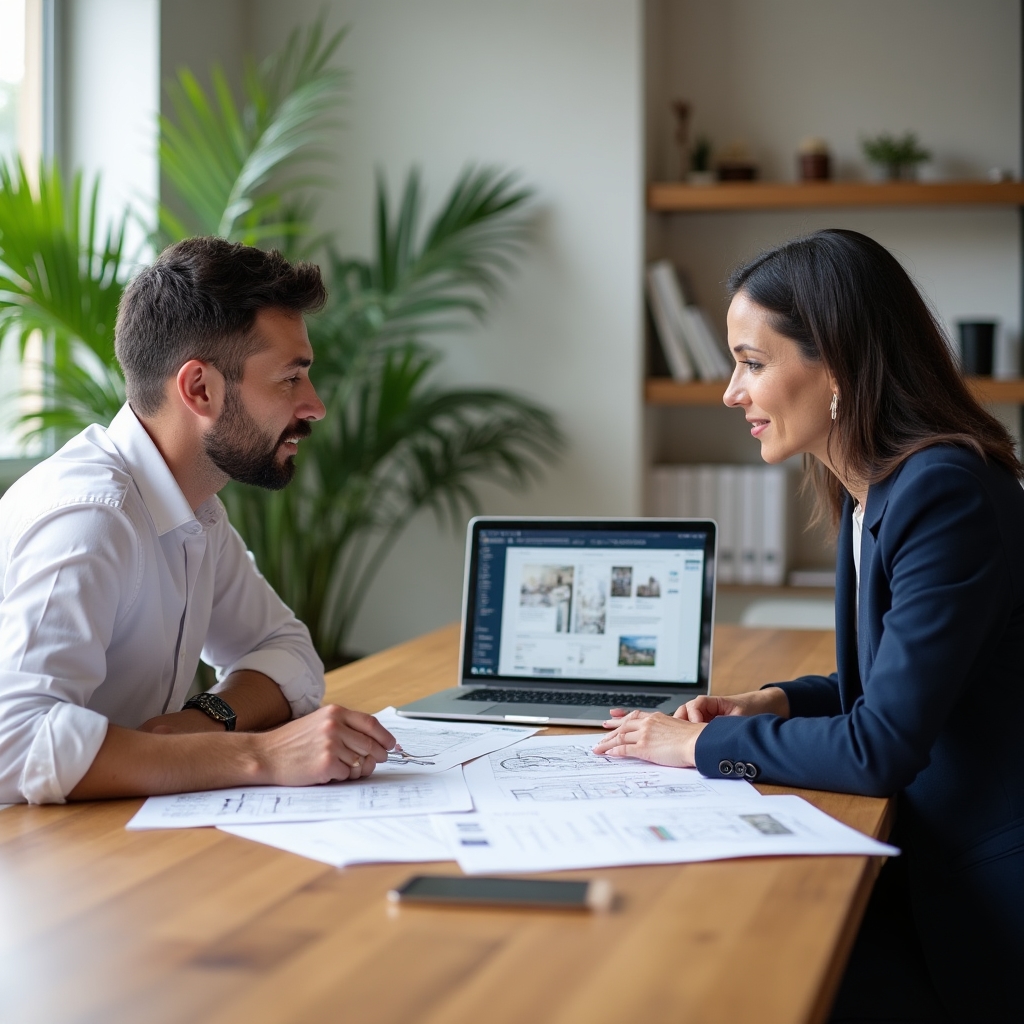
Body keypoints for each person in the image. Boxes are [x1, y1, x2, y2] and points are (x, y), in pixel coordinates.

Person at [594, 229, 1023, 1022]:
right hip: (931, 866)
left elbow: (880, 746)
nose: (732, 391)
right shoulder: (876, 492)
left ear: (840, 365)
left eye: (752, 363)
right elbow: (890, 684)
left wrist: (693, 745)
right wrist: (775, 702)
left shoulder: (943, 493)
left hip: (981, 904)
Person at [0, 237, 394, 806]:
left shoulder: (195, 509)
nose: (314, 405)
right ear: (199, 388)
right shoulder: (90, 517)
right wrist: (263, 756)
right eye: (290, 378)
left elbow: (286, 649)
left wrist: (205, 719)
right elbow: (14, 741)